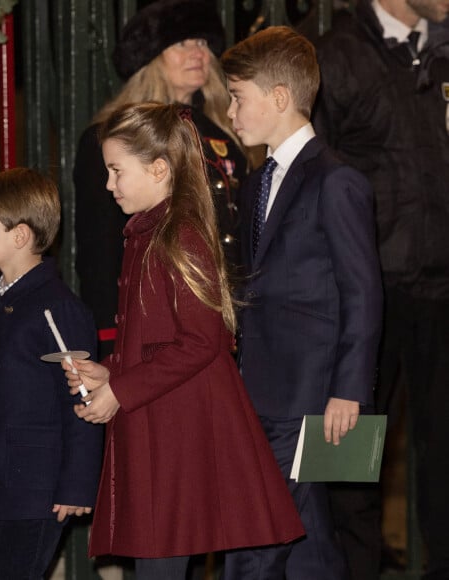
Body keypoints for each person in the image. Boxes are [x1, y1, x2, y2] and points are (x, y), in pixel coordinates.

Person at [63, 102, 304, 580]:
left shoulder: (180, 234)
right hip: (158, 423)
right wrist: (110, 370)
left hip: (176, 434)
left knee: (161, 564)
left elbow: (202, 341)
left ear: (158, 169)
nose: (108, 185)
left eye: (116, 171)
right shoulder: (147, 233)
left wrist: (119, 393)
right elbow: (154, 339)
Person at [220, 26, 383, 579]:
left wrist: (348, 389)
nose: (230, 110)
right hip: (261, 387)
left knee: (257, 531)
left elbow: (362, 292)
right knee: (307, 541)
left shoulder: (337, 182)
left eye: (238, 97)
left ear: (280, 98)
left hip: (309, 393)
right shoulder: (254, 182)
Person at [313, 1, 449, 578]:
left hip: (441, 285)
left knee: (444, 450)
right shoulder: (335, 53)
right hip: (367, 289)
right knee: (346, 449)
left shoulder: (442, 46)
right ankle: (343, 567)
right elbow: (313, 172)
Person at [0, 168, 103, 579]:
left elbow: (83, 401)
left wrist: (77, 485)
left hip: (35, 491)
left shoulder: (56, 309)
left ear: (20, 236)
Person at [73, 0, 249, 360]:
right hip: (154, 318)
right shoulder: (108, 140)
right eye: (182, 43)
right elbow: (99, 251)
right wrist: (109, 337)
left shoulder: (226, 134)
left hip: (221, 316)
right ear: (150, 58)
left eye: (202, 42)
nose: (197, 52)